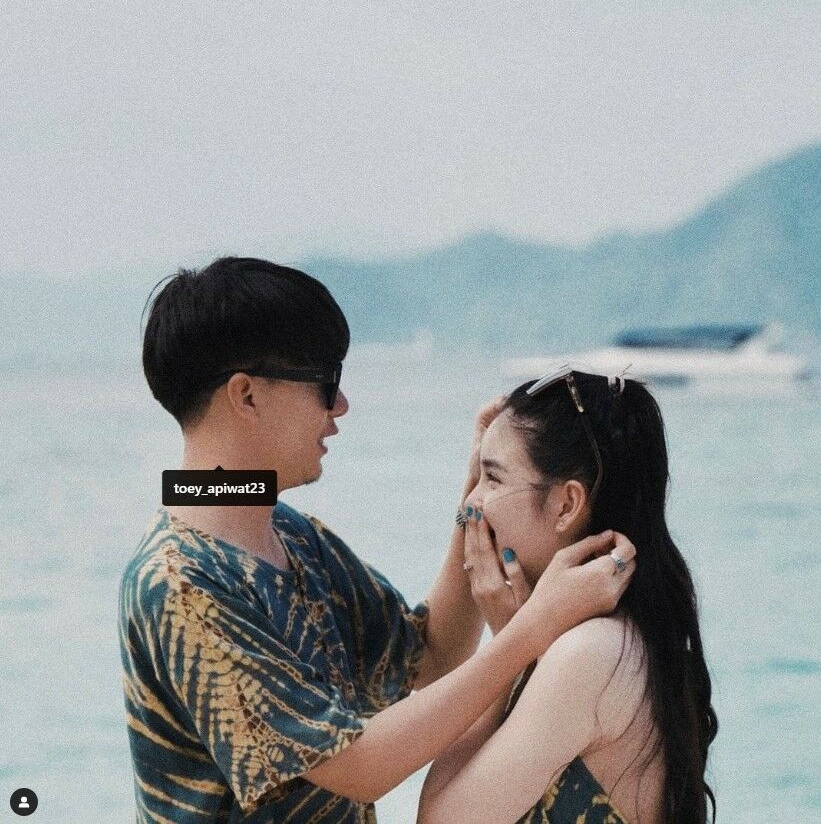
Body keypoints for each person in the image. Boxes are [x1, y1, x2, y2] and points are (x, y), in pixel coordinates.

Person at [119, 258, 637, 823]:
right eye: (325, 382)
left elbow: (432, 656)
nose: (340, 405)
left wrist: (476, 496)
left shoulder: (290, 535)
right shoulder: (181, 583)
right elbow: (359, 766)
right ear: (246, 396)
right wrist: (536, 626)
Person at [418, 367, 718, 824]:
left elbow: (437, 820)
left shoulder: (590, 653)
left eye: (491, 478)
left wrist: (509, 645)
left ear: (566, 505)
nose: (469, 505)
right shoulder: (622, 635)